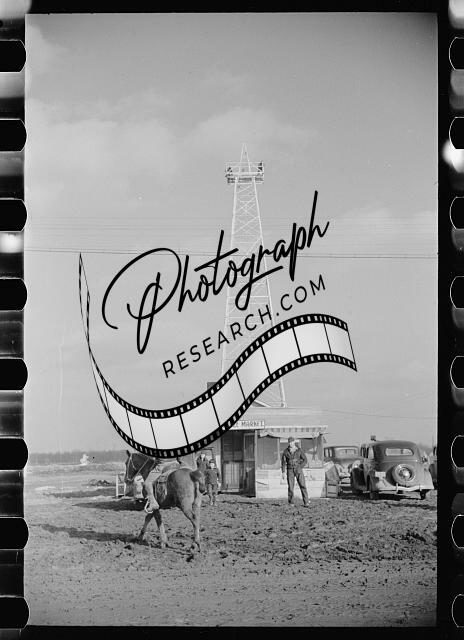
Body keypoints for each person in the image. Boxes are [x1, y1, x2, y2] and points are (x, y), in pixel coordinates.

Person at [281, 437, 310, 507]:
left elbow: (305, 460)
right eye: (289, 442)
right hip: (290, 470)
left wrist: (300, 467)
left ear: (294, 442)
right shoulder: (286, 451)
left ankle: (306, 502)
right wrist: (283, 472)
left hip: (298, 469)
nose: (290, 443)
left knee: (302, 485)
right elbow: (283, 462)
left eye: (291, 442)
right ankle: (291, 503)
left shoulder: (299, 450)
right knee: (290, 487)